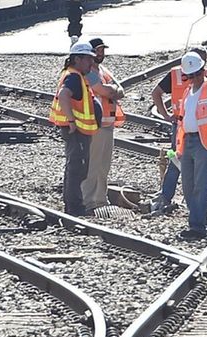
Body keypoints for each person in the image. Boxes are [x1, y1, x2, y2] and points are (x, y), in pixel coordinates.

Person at [150, 46, 207, 213]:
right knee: (180, 166)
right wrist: (166, 116)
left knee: (194, 175)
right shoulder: (184, 81)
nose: (194, 75)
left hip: (200, 133)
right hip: (183, 129)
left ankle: (190, 213)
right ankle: (172, 200)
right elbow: (156, 93)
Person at [173, 52, 207, 240]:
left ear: (203, 70)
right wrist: (179, 146)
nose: (196, 77)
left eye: (198, 73)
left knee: (201, 185)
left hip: (205, 142)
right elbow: (182, 120)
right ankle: (199, 221)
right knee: (188, 185)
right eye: (192, 74)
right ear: (186, 75)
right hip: (188, 141)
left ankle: (197, 226)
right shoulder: (188, 91)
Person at [49, 42, 102, 216]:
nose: (91, 63)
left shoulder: (76, 75)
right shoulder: (74, 77)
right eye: (88, 59)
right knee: (76, 168)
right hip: (76, 130)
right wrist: (72, 121)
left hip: (79, 130)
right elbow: (64, 95)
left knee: (77, 167)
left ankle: (73, 204)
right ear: (77, 59)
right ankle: (74, 207)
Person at [81, 37, 125, 215]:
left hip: (107, 124)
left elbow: (120, 90)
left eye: (102, 50)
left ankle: (100, 199)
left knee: (104, 166)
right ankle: (88, 201)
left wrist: (113, 91)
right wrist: (112, 91)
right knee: (93, 164)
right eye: (98, 50)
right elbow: (104, 91)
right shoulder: (89, 72)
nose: (101, 53)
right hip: (95, 124)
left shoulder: (102, 71)